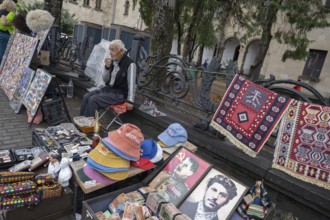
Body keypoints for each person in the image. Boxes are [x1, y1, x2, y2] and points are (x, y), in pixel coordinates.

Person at [80, 39, 136, 117]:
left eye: (112, 50)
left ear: (121, 51)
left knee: (93, 100)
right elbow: (105, 80)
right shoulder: (112, 61)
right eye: (110, 50)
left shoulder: (130, 64)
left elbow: (132, 84)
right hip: (109, 89)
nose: (110, 53)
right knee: (86, 96)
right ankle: (81, 121)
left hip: (119, 94)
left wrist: (130, 101)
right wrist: (107, 68)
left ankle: (88, 126)